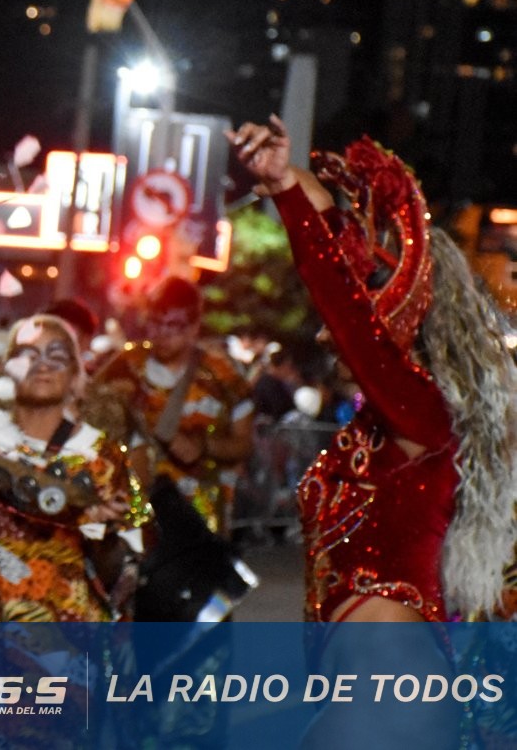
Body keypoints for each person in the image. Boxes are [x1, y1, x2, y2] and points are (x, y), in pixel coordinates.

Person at [230, 116, 517, 624]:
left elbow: (341, 299)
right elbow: (341, 269)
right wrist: (286, 177)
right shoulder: (391, 417)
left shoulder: (425, 412)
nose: (326, 337)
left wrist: (286, 191)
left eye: (342, 328)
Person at [0, 314, 145, 623]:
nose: (42, 366)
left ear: (75, 374)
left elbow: (120, 571)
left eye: (57, 356)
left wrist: (103, 532)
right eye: (28, 354)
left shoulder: (101, 459)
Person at [92, 276, 256, 535]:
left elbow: (244, 444)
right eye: (156, 322)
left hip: (200, 515)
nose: (162, 333)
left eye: (174, 325)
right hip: (136, 511)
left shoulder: (223, 375)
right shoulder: (126, 364)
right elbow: (88, 410)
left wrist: (203, 446)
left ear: (194, 327)